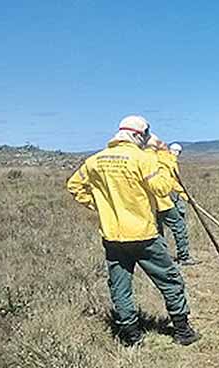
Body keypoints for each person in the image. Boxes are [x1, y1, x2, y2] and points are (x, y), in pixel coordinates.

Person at [66, 116, 200, 347]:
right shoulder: (142, 158)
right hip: (143, 235)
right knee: (170, 280)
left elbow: (74, 186)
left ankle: (131, 335)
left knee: (120, 286)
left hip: (112, 236)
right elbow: (163, 188)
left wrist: (98, 205)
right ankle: (182, 331)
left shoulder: (94, 160)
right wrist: (164, 156)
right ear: (140, 135)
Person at [147, 136, 196, 265]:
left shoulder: (145, 158)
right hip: (162, 202)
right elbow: (172, 182)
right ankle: (183, 257)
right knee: (179, 226)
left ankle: (160, 259)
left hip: (148, 204)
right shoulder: (167, 160)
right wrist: (186, 196)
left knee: (157, 231)